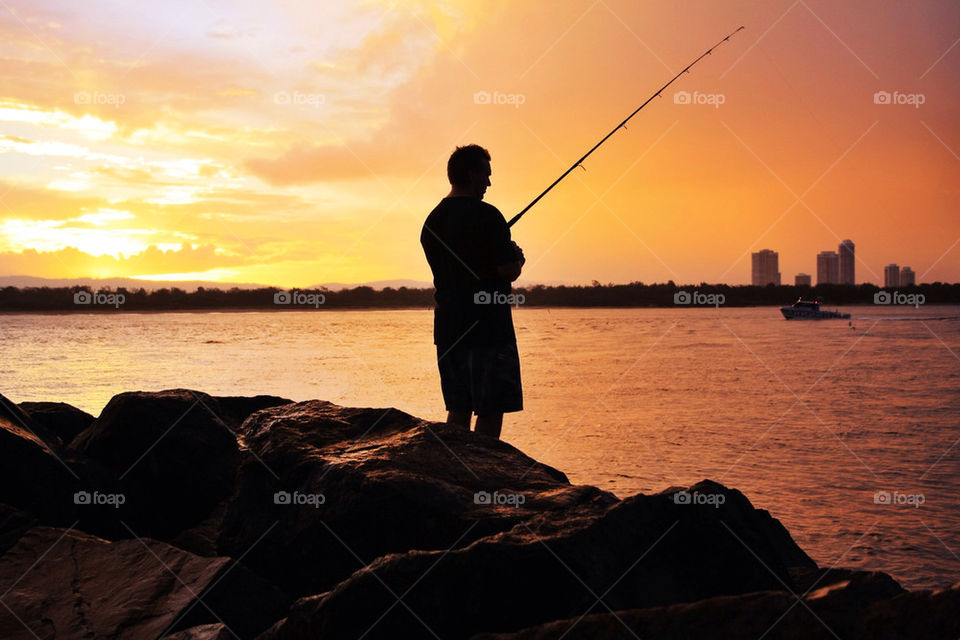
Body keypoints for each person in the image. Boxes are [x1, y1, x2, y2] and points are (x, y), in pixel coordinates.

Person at [420, 144, 525, 439]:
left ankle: (458, 472)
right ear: (470, 174)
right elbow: (508, 269)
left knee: (458, 407)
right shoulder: (488, 216)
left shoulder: (432, 222)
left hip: (448, 330)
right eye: (486, 175)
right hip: (489, 330)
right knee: (491, 408)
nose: (489, 183)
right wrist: (518, 258)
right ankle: (483, 476)